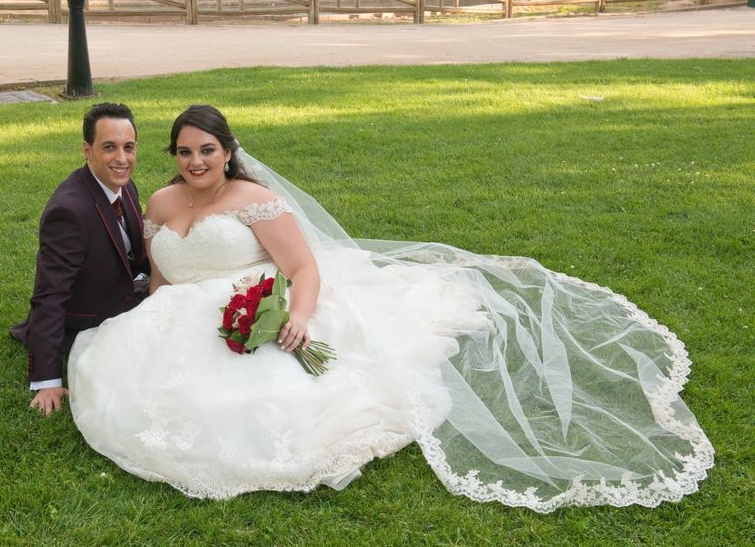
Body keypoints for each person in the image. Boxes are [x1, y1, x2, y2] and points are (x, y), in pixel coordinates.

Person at [66, 105, 713, 511]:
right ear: (173, 157)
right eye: (184, 151)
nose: (196, 161)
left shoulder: (252, 199)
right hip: (181, 315)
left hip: (261, 303)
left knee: (284, 404)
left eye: (207, 150)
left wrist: (298, 316)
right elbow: (158, 277)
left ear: (227, 151)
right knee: (134, 385)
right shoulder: (158, 203)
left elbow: (302, 268)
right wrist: (147, 322)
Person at [11, 102, 150, 415]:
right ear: (87, 150)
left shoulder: (124, 186)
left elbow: (134, 254)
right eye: (109, 147)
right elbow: (50, 295)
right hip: (88, 322)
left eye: (129, 147)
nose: (122, 158)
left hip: (126, 295)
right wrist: (46, 380)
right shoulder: (69, 212)